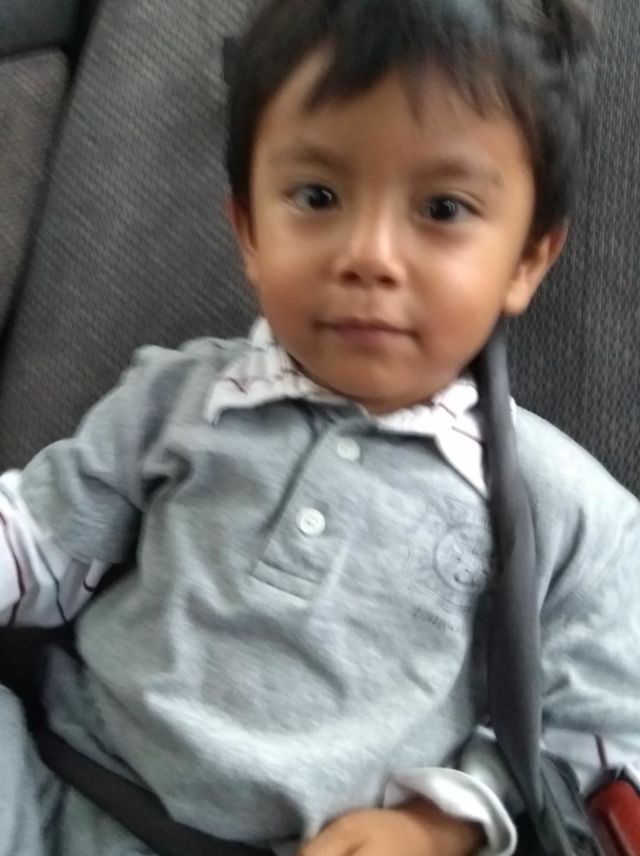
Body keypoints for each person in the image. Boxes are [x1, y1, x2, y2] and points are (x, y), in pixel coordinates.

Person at [1, 0, 639, 854]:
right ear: (250, 231)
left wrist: (441, 823)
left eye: (443, 209)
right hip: (55, 786)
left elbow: (600, 745)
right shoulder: (176, 396)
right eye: (317, 196)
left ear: (527, 259)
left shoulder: (569, 513)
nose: (368, 254)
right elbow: (39, 541)